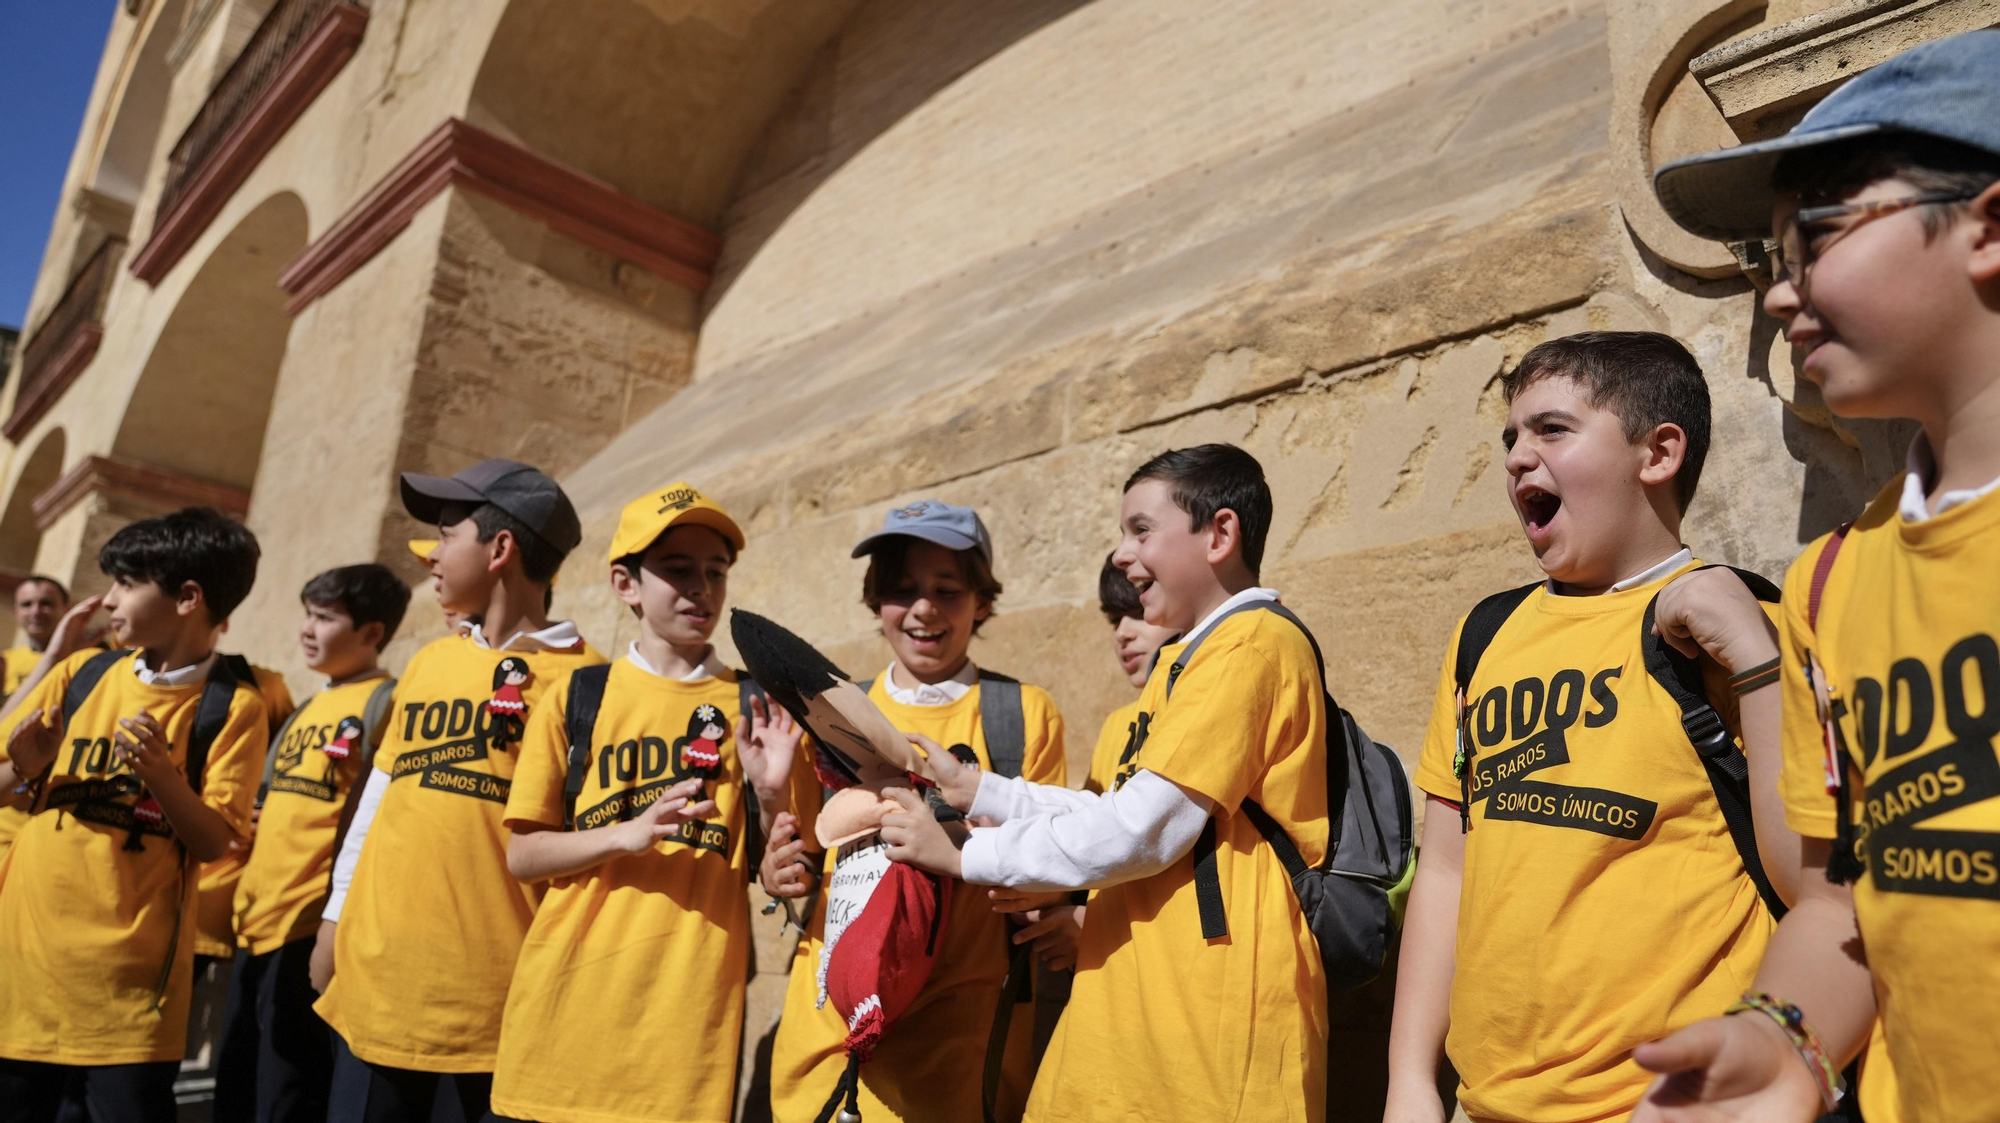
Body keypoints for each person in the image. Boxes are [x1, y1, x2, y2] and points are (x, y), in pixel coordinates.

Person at [1632, 30, 2000, 1122]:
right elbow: (1844, 897)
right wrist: (1779, 1037)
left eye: (1816, 241)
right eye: (1769, 260)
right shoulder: (1831, 582)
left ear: (1988, 229)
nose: (1779, 296)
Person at [878, 445, 1330, 1123]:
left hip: (1209, 1023)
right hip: (1141, 1008)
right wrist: (981, 791)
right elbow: (1117, 806)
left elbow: (1141, 829)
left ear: (1220, 534)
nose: (1122, 554)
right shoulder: (1194, 658)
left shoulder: (1250, 646)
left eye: (1141, 530)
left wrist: (965, 854)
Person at [487, 483, 799, 1123]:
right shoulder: (579, 696)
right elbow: (522, 855)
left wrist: (770, 797)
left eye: (715, 572)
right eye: (678, 571)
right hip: (562, 1016)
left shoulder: (756, 706)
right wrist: (623, 835)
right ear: (625, 584)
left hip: (684, 1038)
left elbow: (779, 870)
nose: (701, 589)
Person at [312, 459, 604, 1123]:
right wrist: (333, 920)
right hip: (377, 984)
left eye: (447, 535)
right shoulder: (429, 661)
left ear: (500, 548)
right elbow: (378, 799)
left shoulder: (586, 683)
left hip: (500, 1004)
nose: (433, 555)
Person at [763, 499, 1067, 1123]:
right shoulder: (830, 715)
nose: (924, 608)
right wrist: (777, 867)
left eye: (947, 590)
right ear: (876, 601)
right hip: (826, 1038)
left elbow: (1048, 872)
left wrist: (983, 852)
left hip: (958, 1047)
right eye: (903, 590)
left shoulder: (1023, 714)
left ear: (982, 601)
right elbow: (803, 863)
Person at [0, 507, 270, 1123]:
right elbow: (5, 784)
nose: (109, 600)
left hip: (129, 996)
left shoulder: (234, 707)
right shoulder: (82, 673)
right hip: (23, 974)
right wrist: (28, 767)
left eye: (126, 583)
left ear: (188, 598)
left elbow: (213, 842)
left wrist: (163, 777)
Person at [212, 565, 411, 1123]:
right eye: (307, 614)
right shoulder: (305, 707)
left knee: (288, 1094)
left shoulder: (385, 703)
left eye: (324, 618)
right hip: (256, 921)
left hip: (308, 924)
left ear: (372, 632)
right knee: (236, 1086)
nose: (306, 628)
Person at [1085, 551, 1176, 794]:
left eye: (1140, 612)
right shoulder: (1114, 725)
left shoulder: (1203, 703)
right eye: (1114, 619)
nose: (1122, 633)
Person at [5, 576, 71, 696]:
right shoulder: (4, 663)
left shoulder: (85, 659)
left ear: (66, 609)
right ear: (16, 611)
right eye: (26, 604)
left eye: (46, 603)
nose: (35, 612)